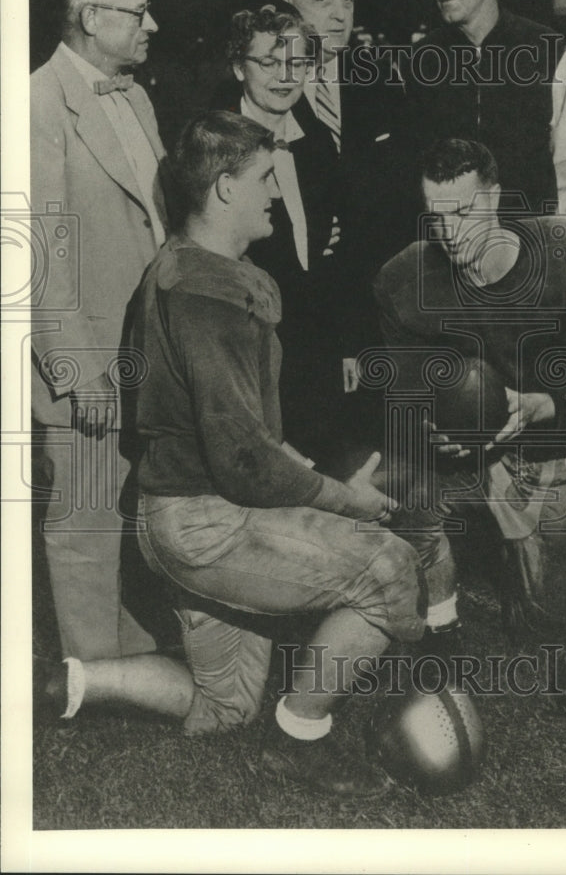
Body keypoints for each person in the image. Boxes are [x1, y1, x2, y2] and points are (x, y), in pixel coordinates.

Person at [36, 110, 431, 799]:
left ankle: (73, 682)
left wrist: (304, 472)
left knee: (224, 709)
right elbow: (243, 459)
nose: (275, 193)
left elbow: (232, 431)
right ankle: (301, 740)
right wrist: (345, 501)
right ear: (223, 189)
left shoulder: (184, 269)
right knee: (391, 570)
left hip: (173, 516)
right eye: (263, 179)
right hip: (209, 524)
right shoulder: (207, 291)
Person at [373, 138, 566, 649]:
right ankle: (441, 621)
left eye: (462, 213)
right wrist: (434, 432)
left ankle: (517, 561)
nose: (449, 233)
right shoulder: (404, 278)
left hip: (562, 449)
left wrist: (537, 406)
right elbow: (408, 394)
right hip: (479, 450)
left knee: (539, 634)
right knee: (395, 478)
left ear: (495, 197)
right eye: (435, 217)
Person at [30, 0, 171, 660]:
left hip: (145, 347)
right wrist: (77, 370)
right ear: (91, 14)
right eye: (138, 12)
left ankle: (130, 639)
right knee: (84, 514)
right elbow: (38, 251)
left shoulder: (137, 96)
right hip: (87, 355)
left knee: (132, 504)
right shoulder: (33, 102)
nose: (152, 26)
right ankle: (91, 670)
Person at [215, 5, 349, 465]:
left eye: (296, 63)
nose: (284, 76)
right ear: (238, 67)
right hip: (248, 355)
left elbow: (332, 244)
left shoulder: (314, 139)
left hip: (314, 352)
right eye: (269, 63)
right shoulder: (216, 147)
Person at [405, 0, 566, 217]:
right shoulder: (419, 59)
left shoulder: (548, 51)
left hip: (528, 247)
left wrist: (548, 235)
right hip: (444, 249)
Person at [282, 0, 415, 332]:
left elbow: (402, 191)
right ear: (289, 7)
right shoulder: (266, 86)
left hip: (375, 303)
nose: (340, 14)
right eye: (323, 0)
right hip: (299, 308)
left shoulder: (380, 79)